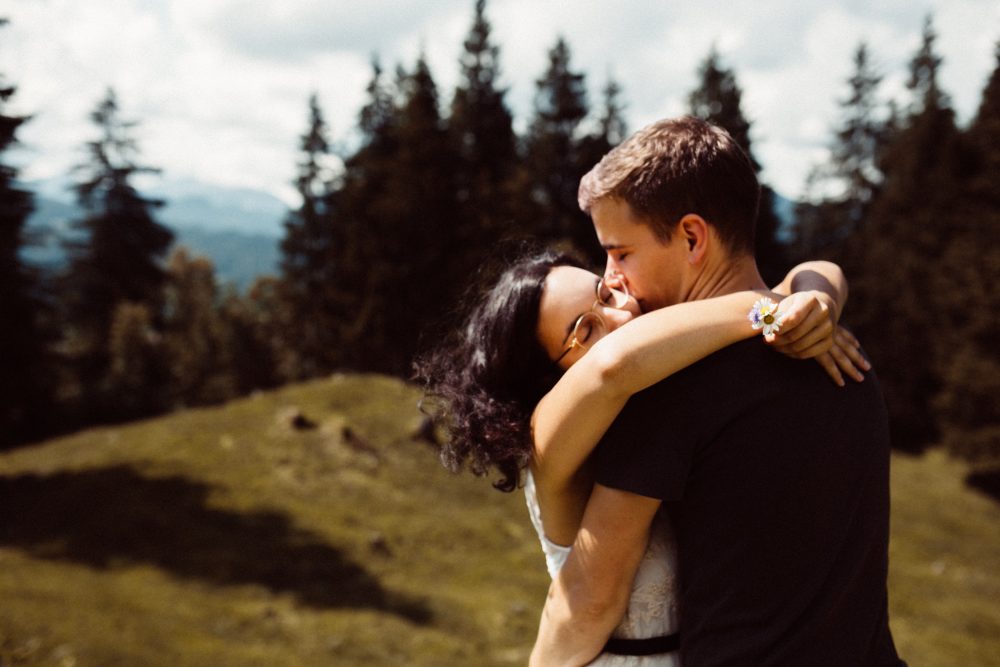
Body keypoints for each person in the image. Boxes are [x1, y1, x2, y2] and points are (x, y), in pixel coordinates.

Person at [530, 116, 905, 665]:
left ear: (691, 236)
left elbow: (589, 599)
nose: (613, 277)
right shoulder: (843, 354)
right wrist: (817, 289)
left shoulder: (670, 387)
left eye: (621, 253)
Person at [415, 243, 865, 665]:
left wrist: (815, 303)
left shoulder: (646, 416)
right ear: (543, 380)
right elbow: (615, 364)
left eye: (607, 292)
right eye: (585, 329)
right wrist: (774, 310)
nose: (622, 313)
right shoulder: (548, 435)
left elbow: (824, 270)